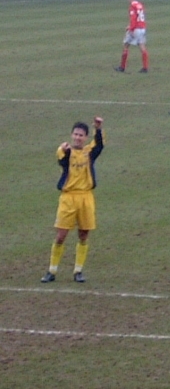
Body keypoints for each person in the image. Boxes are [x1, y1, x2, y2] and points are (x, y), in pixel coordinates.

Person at [40, 117, 105, 284]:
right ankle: (52, 270)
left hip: (86, 197)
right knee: (61, 235)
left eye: (81, 135)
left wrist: (98, 128)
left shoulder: (88, 152)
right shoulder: (64, 150)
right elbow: (62, 160)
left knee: (83, 235)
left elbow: (99, 145)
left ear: (85, 137)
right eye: (75, 134)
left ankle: (78, 271)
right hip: (68, 198)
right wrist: (65, 150)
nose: (77, 137)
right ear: (71, 135)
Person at [115, 0, 149, 73]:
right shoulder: (140, 5)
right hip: (142, 28)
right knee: (142, 46)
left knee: (126, 45)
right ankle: (145, 67)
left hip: (135, 29)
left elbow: (133, 18)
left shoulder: (132, 6)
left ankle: (122, 67)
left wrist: (130, 27)